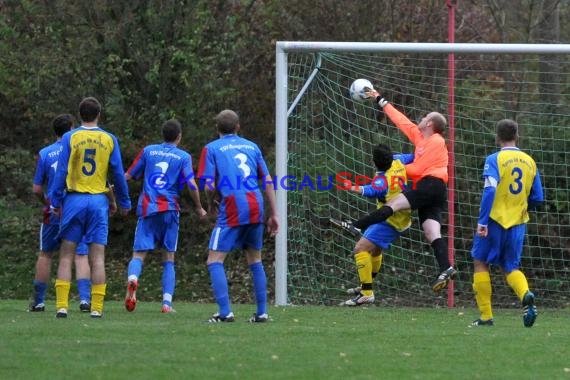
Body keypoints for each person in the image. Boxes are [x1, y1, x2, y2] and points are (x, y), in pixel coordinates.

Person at [338, 90, 457, 292]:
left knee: (392, 205)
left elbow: (418, 169)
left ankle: (356, 226)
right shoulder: (421, 139)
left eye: (425, 117)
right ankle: (446, 268)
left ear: (430, 124)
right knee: (431, 232)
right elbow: (401, 121)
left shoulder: (436, 141)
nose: (421, 118)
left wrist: (391, 169)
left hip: (431, 185)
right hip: (433, 191)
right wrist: (379, 99)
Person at [50, 97, 131, 318]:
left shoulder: (70, 137)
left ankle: (62, 306)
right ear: (99, 114)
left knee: (66, 254)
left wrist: (55, 201)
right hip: (98, 201)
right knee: (97, 257)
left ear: (79, 114)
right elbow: (117, 172)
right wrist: (124, 202)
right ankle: (96, 309)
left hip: (75, 199)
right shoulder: (109, 138)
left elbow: (61, 172)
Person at [197, 109, 279, 323]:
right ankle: (262, 313)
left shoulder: (211, 148)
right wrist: (275, 213)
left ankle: (225, 313)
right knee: (255, 259)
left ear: (217, 129)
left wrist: (211, 204)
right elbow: (268, 180)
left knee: (214, 260)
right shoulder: (252, 146)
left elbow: (208, 185)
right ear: (238, 127)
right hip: (255, 204)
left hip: (233, 205)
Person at [123, 119, 206, 314]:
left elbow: (128, 175)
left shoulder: (148, 151)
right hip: (170, 210)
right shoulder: (183, 156)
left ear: (163, 134)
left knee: (139, 254)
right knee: (169, 257)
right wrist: (199, 207)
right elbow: (192, 184)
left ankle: (133, 279)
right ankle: (167, 304)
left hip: (148, 208)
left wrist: (114, 191)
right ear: (179, 136)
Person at [470, 119, 543, 327]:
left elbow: (490, 189)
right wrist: (519, 206)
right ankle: (525, 293)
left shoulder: (495, 159)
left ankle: (486, 317)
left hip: (493, 220)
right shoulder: (530, 161)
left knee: (480, 261)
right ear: (516, 135)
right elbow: (538, 197)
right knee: (510, 266)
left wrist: (482, 221)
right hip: (518, 222)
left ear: (498, 137)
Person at [330, 144, 412, 306]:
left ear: (374, 162)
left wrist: (351, 187)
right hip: (402, 217)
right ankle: (365, 285)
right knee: (375, 250)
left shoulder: (383, 181)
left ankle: (366, 293)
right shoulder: (399, 161)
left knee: (360, 249)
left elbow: (371, 190)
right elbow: (414, 157)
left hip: (389, 221)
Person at [29, 114, 91, 313]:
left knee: (46, 254)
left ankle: (39, 301)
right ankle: (84, 300)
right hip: (76, 207)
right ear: (72, 128)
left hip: (52, 211)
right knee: (80, 255)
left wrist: (47, 202)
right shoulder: (78, 150)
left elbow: (37, 189)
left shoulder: (45, 153)